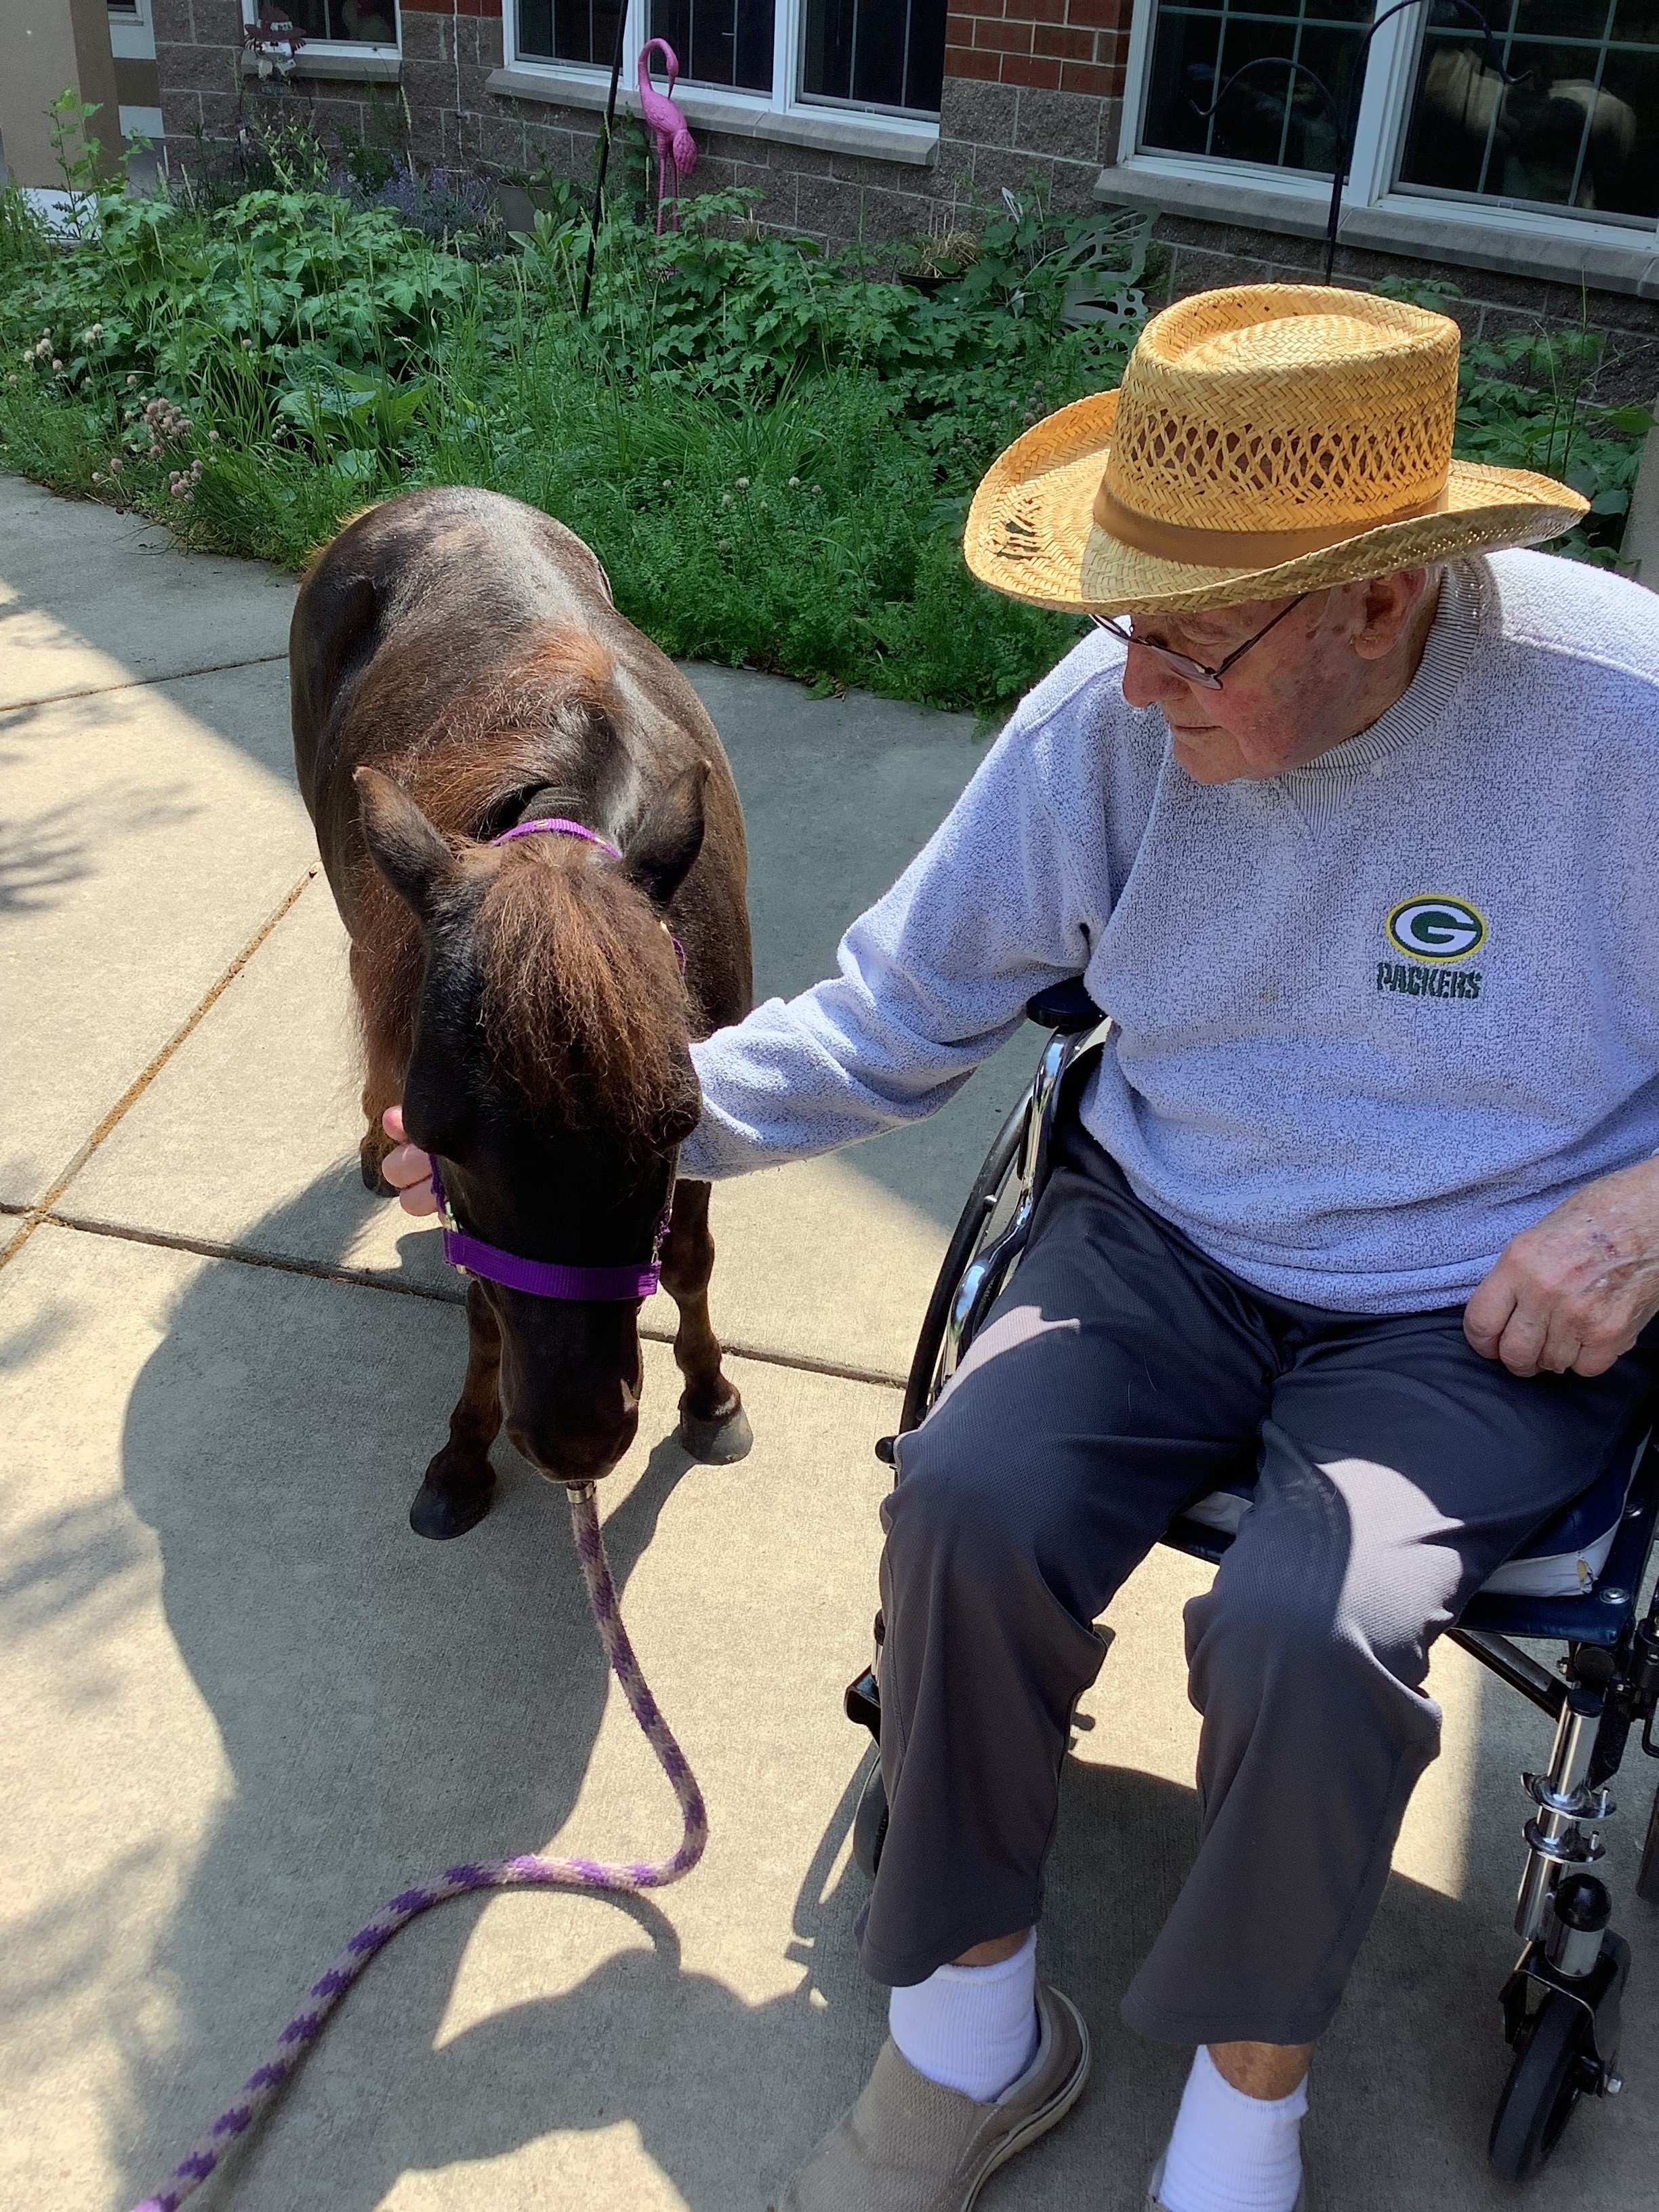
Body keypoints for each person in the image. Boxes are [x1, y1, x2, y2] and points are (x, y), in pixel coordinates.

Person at [381, 285, 1659, 2212]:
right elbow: (892, 1018)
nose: (1135, 687)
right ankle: (969, 2043)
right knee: (966, 1493)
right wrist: (573, 1125)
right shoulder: (1111, 716)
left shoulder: (1621, 723)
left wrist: (1645, 1216)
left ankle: (1248, 2118)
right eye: (1121, 627)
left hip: (1468, 1306)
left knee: (1315, 1623)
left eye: (1188, 641)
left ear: (1377, 600)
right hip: (1166, 1231)